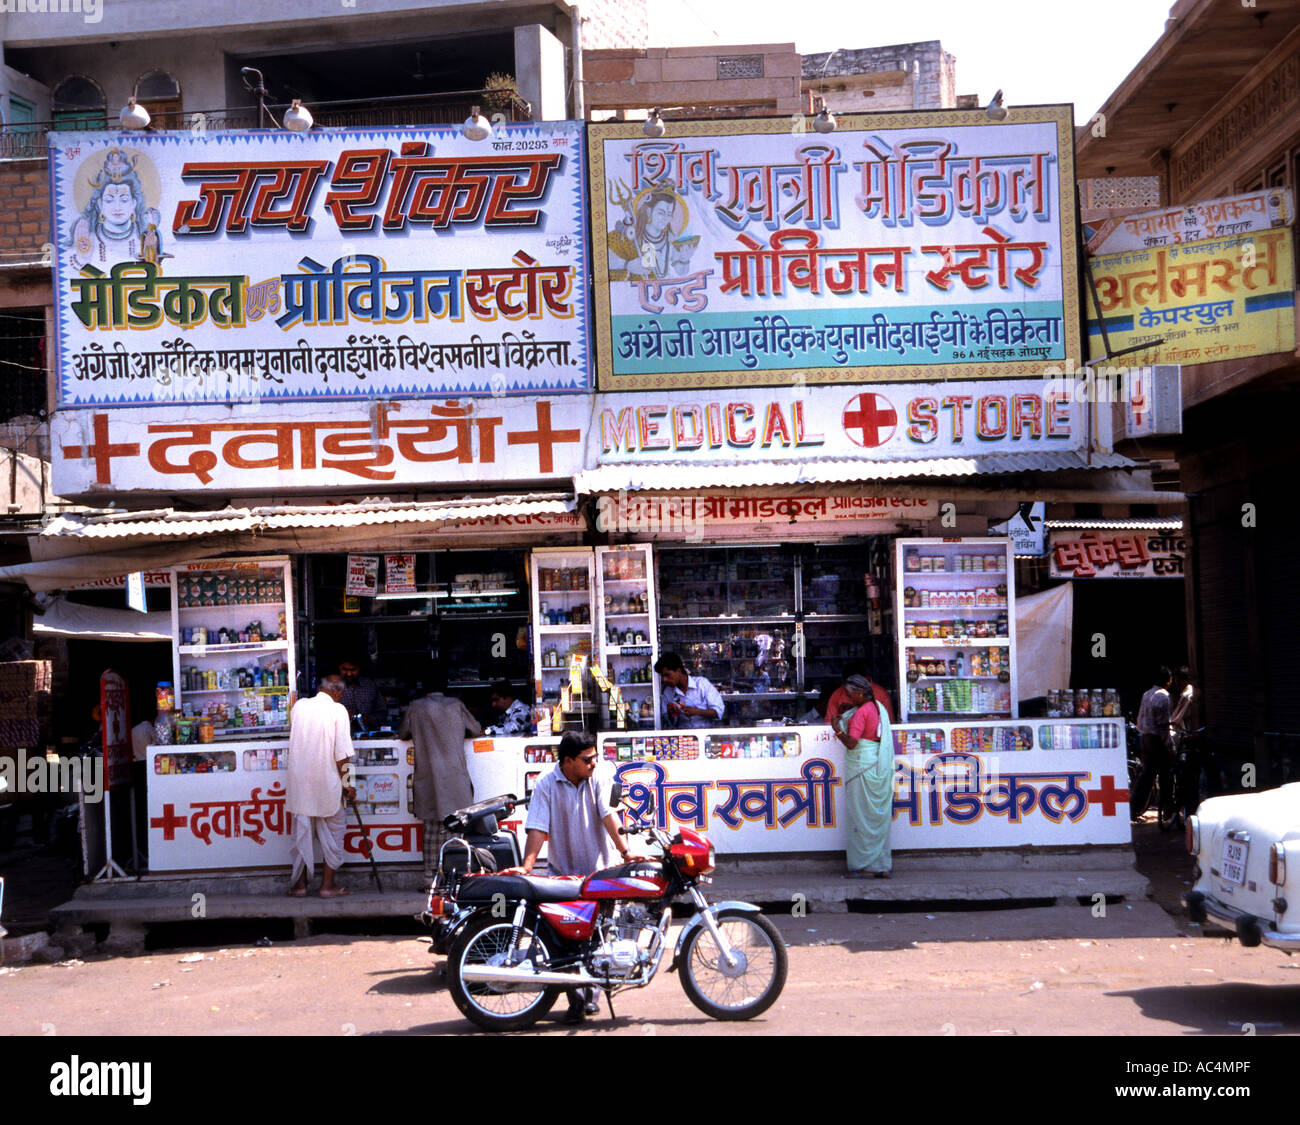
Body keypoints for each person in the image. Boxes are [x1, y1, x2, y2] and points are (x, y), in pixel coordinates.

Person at [515, 731, 637, 1022]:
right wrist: (527, 866)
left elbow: (610, 816)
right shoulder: (545, 784)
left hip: (599, 871)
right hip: (563, 875)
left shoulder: (599, 776)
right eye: (588, 759)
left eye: (595, 757)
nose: (594, 763)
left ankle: (591, 995)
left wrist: (626, 852)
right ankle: (576, 998)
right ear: (568, 761)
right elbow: (537, 828)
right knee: (567, 940)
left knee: (600, 935)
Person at [397, 670, 482, 885]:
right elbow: (475, 729)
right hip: (454, 776)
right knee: (456, 827)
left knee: (431, 830)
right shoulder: (455, 705)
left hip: (429, 777)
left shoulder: (416, 707)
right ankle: (457, 876)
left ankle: (430, 879)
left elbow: (403, 734)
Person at [286, 675, 356, 898]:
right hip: (328, 785)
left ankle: (300, 886)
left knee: (303, 836)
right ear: (338, 693)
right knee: (334, 836)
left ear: (319, 689)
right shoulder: (339, 711)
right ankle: (328, 887)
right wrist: (349, 784)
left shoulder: (299, 707)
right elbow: (342, 755)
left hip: (300, 786)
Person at [833, 674, 894, 879]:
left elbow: (852, 743)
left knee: (860, 816)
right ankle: (882, 866)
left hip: (862, 767)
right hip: (876, 765)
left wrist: (838, 730)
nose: (850, 699)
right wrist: (848, 711)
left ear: (859, 693)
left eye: (851, 695)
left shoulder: (861, 713)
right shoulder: (878, 707)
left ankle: (860, 866)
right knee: (877, 816)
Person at [65, 147, 151, 269]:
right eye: (109, 200)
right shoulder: (89, 235)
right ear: (100, 204)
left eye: (124, 199)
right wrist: (82, 259)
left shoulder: (143, 236)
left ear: (134, 203)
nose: (117, 207)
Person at [1129, 666, 1175, 823]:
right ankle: (1167, 811)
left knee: (1146, 777)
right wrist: (1170, 746)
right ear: (1168, 681)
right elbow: (1163, 725)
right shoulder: (1164, 696)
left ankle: (1134, 809)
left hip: (1145, 739)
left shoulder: (1147, 694)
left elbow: (1140, 720)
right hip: (1156, 741)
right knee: (1166, 777)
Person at [655, 652, 724, 729]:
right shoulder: (668, 693)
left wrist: (697, 712)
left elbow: (718, 712)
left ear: (678, 671)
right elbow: (668, 724)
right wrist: (672, 714)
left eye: (667, 675)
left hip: (705, 735)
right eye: (662, 676)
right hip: (683, 738)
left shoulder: (702, 684)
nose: (664, 679)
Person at [826, 662, 897, 725]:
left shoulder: (881, 695)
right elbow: (828, 723)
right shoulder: (838, 694)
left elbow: (889, 725)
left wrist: (840, 732)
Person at [338, 660, 387, 732]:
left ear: (359, 668)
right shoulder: (332, 687)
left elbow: (382, 712)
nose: (349, 674)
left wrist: (369, 719)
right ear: (339, 667)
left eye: (353, 670)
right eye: (345, 669)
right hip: (340, 735)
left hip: (369, 736)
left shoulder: (369, 685)